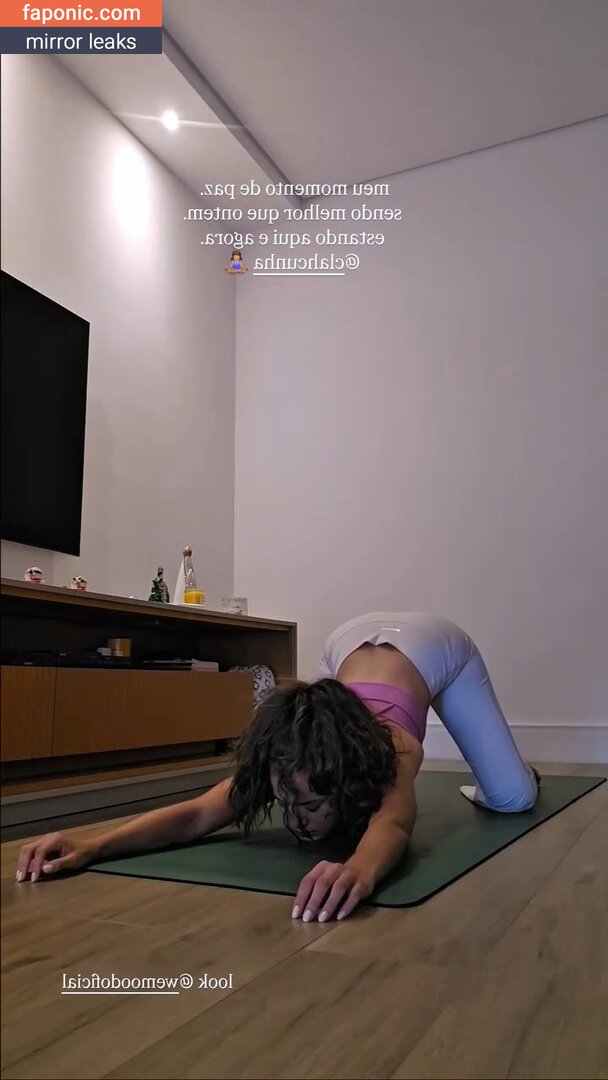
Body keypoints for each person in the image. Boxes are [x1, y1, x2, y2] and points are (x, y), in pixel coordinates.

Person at [16, 611, 539, 923]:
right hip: (348, 640)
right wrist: (93, 845)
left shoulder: (392, 751)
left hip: (434, 645)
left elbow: (395, 823)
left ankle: (511, 773)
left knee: (514, 797)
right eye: (287, 801)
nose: (297, 820)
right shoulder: (286, 760)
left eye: (309, 805)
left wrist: (358, 869)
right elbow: (197, 814)